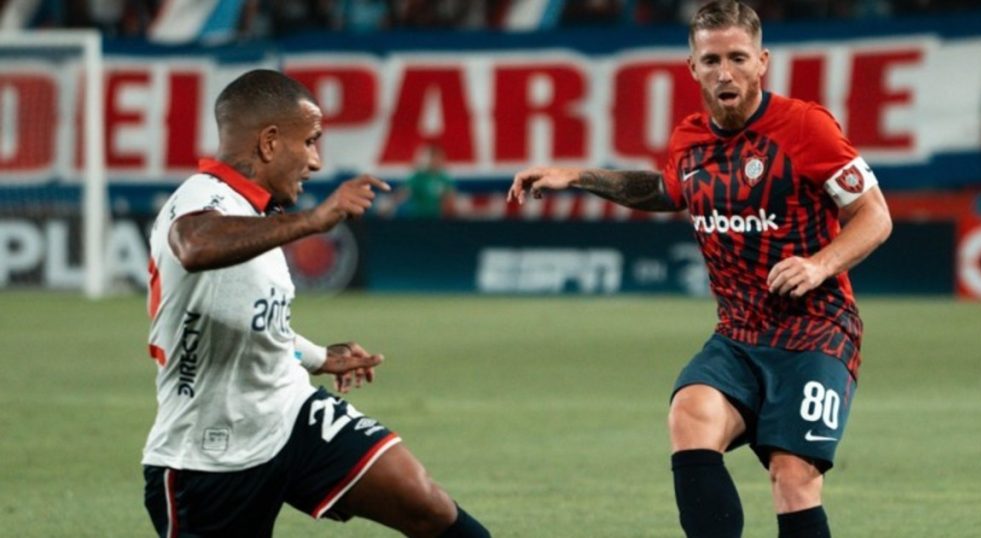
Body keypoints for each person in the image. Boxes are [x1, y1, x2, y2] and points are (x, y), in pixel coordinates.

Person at [508, 1, 892, 537]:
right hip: (738, 335)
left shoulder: (807, 127)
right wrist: (575, 176)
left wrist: (819, 264)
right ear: (693, 68)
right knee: (690, 415)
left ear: (762, 62)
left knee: (792, 475)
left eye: (738, 58)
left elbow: (875, 216)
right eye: (711, 60)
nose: (725, 72)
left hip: (816, 332)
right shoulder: (691, 140)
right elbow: (666, 190)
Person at [142, 69, 490, 538]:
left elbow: (256, 324)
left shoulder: (257, 216)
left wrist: (322, 358)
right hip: (208, 453)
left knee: (430, 509)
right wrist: (316, 219)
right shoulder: (200, 198)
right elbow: (194, 245)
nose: (316, 161)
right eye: (309, 142)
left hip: (290, 412)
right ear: (269, 143)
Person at [390, 144, 456, 218]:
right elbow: (404, 193)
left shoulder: (445, 179)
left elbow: (450, 200)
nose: (436, 161)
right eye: (433, 158)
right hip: (417, 217)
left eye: (438, 158)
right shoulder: (417, 177)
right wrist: (391, 204)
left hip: (437, 219)